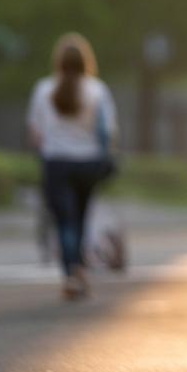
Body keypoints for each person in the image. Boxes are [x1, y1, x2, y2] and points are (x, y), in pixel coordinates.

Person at [26, 33, 120, 300]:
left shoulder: (44, 89)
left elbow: (35, 133)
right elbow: (109, 131)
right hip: (88, 164)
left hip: (56, 163)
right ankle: (78, 269)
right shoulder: (97, 90)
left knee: (64, 222)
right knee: (80, 218)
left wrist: (48, 149)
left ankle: (70, 273)